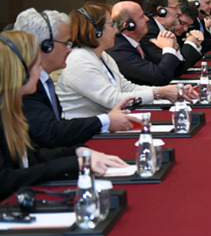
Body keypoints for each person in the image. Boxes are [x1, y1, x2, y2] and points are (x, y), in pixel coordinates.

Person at [0, 30, 128, 199]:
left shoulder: (11, 110)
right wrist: (71, 164)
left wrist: (77, 152)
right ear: (21, 73)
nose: (41, 73)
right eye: (37, 65)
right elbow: (4, 181)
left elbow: (30, 157)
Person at [14, 8, 138, 148]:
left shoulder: (43, 82)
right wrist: (105, 121)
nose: (69, 49)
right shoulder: (25, 86)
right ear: (46, 47)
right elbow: (50, 133)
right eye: (66, 43)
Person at [56, 3, 195, 119]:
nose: (116, 31)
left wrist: (165, 90)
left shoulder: (103, 56)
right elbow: (113, 100)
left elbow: (126, 87)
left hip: (106, 127)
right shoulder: (79, 60)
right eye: (112, 26)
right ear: (97, 32)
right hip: (86, 137)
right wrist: (159, 93)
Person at [106, 1, 181, 86]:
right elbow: (159, 77)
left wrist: (174, 48)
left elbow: (170, 70)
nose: (147, 19)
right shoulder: (119, 50)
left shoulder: (139, 42)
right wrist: (168, 48)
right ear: (130, 26)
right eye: (141, 17)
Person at [141, 0, 203, 73]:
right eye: (176, 8)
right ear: (161, 11)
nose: (179, 11)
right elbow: (173, 69)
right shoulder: (148, 32)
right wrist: (190, 43)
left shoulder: (165, 29)